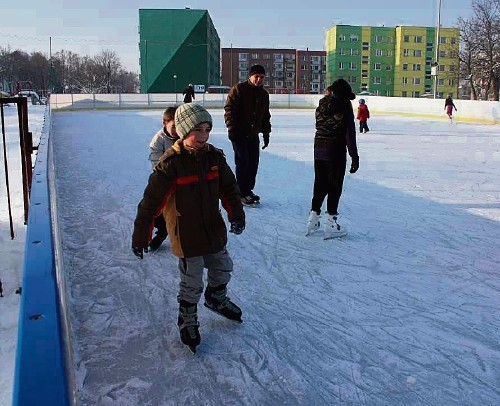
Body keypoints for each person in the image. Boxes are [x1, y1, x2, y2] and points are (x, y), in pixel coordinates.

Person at [132, 103, 246, 353]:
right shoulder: (170, 164)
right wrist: (142, 234)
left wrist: (236, 214)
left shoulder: (214, 157)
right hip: (186, 233)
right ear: (183, 131)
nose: (204, 136)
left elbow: (229, 189)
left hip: (213, 229)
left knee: (223, 266)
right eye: (198, 130)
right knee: (191, 280)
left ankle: (216, 298)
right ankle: (187, 315)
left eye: (207, 129)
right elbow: (150, 203)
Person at [306, 78, 360, 239]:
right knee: (334, 186)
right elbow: (349, 133)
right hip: (335, 150)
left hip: (318, 149)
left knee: (320, 184)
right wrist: (354, 156)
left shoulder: (322, 104)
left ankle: (313, 219)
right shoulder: (344, 106)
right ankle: (330, 224)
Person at [224, 64, 271, 206]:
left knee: (253, 163)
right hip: (239, 133)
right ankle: (241, 193)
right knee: (242, 162)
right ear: (250, 76)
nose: (259, 79)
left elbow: (265, 115)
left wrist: (266, 133)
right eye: (256, 76)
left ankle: (248, 190)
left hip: (253, 134)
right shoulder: (239, 89)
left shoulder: (264, 94)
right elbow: (229, 110)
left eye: (261, 77)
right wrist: (232, 129)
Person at [148, 106, 179, 250]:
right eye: (173, 126)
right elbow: (156, 162)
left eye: (180, 125)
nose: (177, 129)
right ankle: (162, 232)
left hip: (183, 179)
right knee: (160, 206)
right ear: (164, 123)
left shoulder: (185, 135)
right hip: (164, 179)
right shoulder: (158, 140)